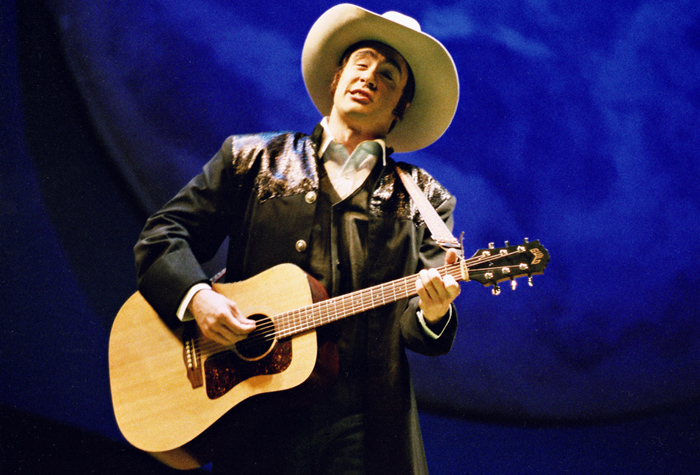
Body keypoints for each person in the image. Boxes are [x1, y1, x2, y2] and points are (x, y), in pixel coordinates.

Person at [134, 4, 461, 474]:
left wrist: (434, 310)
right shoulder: (251, 158)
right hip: (258, 419)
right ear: (336, 79)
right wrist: (198, 299)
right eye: (361, 63)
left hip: (365, 428)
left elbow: (420, 330)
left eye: (387, 76)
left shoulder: (427, 199)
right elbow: (164, 234)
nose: (369, 77)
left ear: (400, 110)